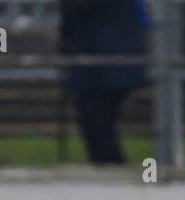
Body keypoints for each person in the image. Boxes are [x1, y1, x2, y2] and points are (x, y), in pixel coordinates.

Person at [59, 0, 150, 164]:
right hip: (103, 64)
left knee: (98, 124)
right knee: (97, 124)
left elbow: (78, 8)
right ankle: (110, 169)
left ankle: (112, 170)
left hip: (105, 65)